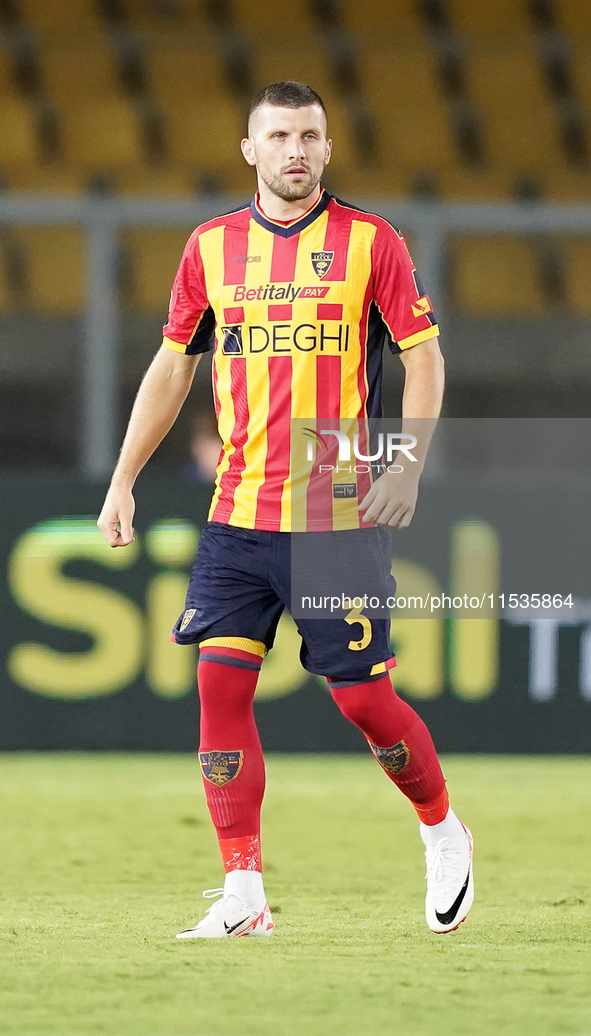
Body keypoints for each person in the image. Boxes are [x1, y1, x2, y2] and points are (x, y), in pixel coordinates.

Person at [97, 81, 473, 939]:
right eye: (278, 136)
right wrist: (121, 479)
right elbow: (171, 366)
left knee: (361, 703)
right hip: (237, 517)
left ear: (327, 150)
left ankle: (442, 829)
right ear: (249, 149)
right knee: (219, 692)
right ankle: (243, 892)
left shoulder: (370, 242)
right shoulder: (210, 248)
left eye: (309, 136)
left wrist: (406, 467)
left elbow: (425, 361)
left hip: (336, 514)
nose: (294, 150)